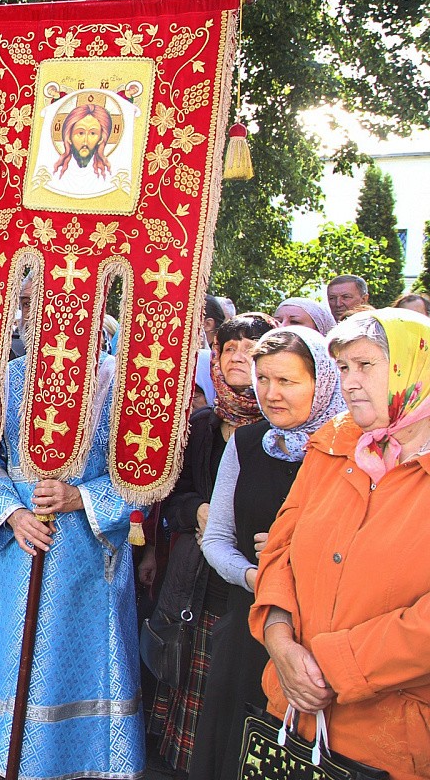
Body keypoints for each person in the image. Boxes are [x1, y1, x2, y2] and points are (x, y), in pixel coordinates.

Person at [0, 276, 144, 778]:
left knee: (74, 657)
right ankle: (6, 750)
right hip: (19, 549)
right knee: (13, 649)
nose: (28, 315)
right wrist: (12, 514)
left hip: (88, 555)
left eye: (38, 302)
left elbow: (147, 472)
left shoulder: (121, 382)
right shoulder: (7, 378)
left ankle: (82, 758)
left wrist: (81, 496)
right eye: (23, 303)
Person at [251, 308, 430, 780]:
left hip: (390, 739)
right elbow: (279, 551)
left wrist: (334, 666)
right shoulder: (335, 441)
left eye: (365, 366)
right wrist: (280, 642)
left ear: (414, 367)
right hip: (292, 713)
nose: (349, 382)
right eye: (343, 367)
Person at [190, 327, 344, 779]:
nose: (271, 394)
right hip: (248, 623)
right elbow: (216, 539)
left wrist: (295, 551)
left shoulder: (349, 452)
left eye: (287, 381)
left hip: (318, 635)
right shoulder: (247, 443)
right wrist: (255, 576)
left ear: (322, 381)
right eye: (263, 379)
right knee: (232, 749)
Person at [148, 312, 275, 775]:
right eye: (228, 348)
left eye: (250, 348)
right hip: (195, 572)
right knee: (188, 669)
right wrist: (198, 511)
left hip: (249, 576)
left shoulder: (284, 431)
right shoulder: (203, 424)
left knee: (235, 680)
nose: (237, 357)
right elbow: (172, 493)